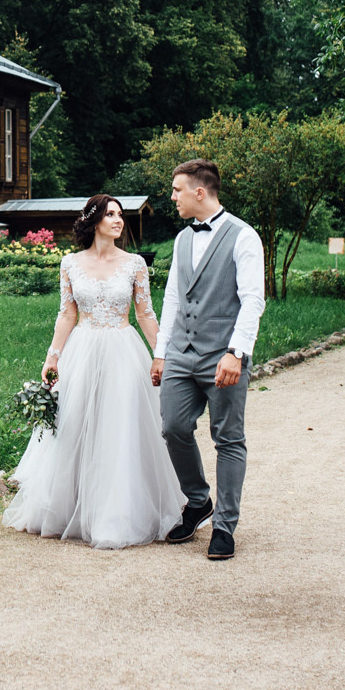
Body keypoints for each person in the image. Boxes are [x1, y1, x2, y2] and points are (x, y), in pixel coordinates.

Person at [4, 194, 183, 549]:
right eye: (111, 214)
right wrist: (52, 356)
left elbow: (146, 314)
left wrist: (161, 354)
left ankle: (117, 514)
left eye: (120, 215)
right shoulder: (70, 263)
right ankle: (67, 508)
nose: (119, 220)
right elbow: (66, 314)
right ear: (94, 220)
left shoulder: (135, 264)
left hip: (122, 348)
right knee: (75, 425)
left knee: (120, 429)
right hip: (82, 350)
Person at [151, 159, 265, 561]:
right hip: (182, 352)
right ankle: (198, 500)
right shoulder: (182, 239)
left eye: (177, 189)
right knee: (173, 428)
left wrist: (237, 353)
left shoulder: (244, 236)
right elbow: (172, 298)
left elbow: (253, 299)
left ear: (200, 192)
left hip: (224, 353)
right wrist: (161, 352)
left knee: (228, 438)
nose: (172, 197)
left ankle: (224, 526)